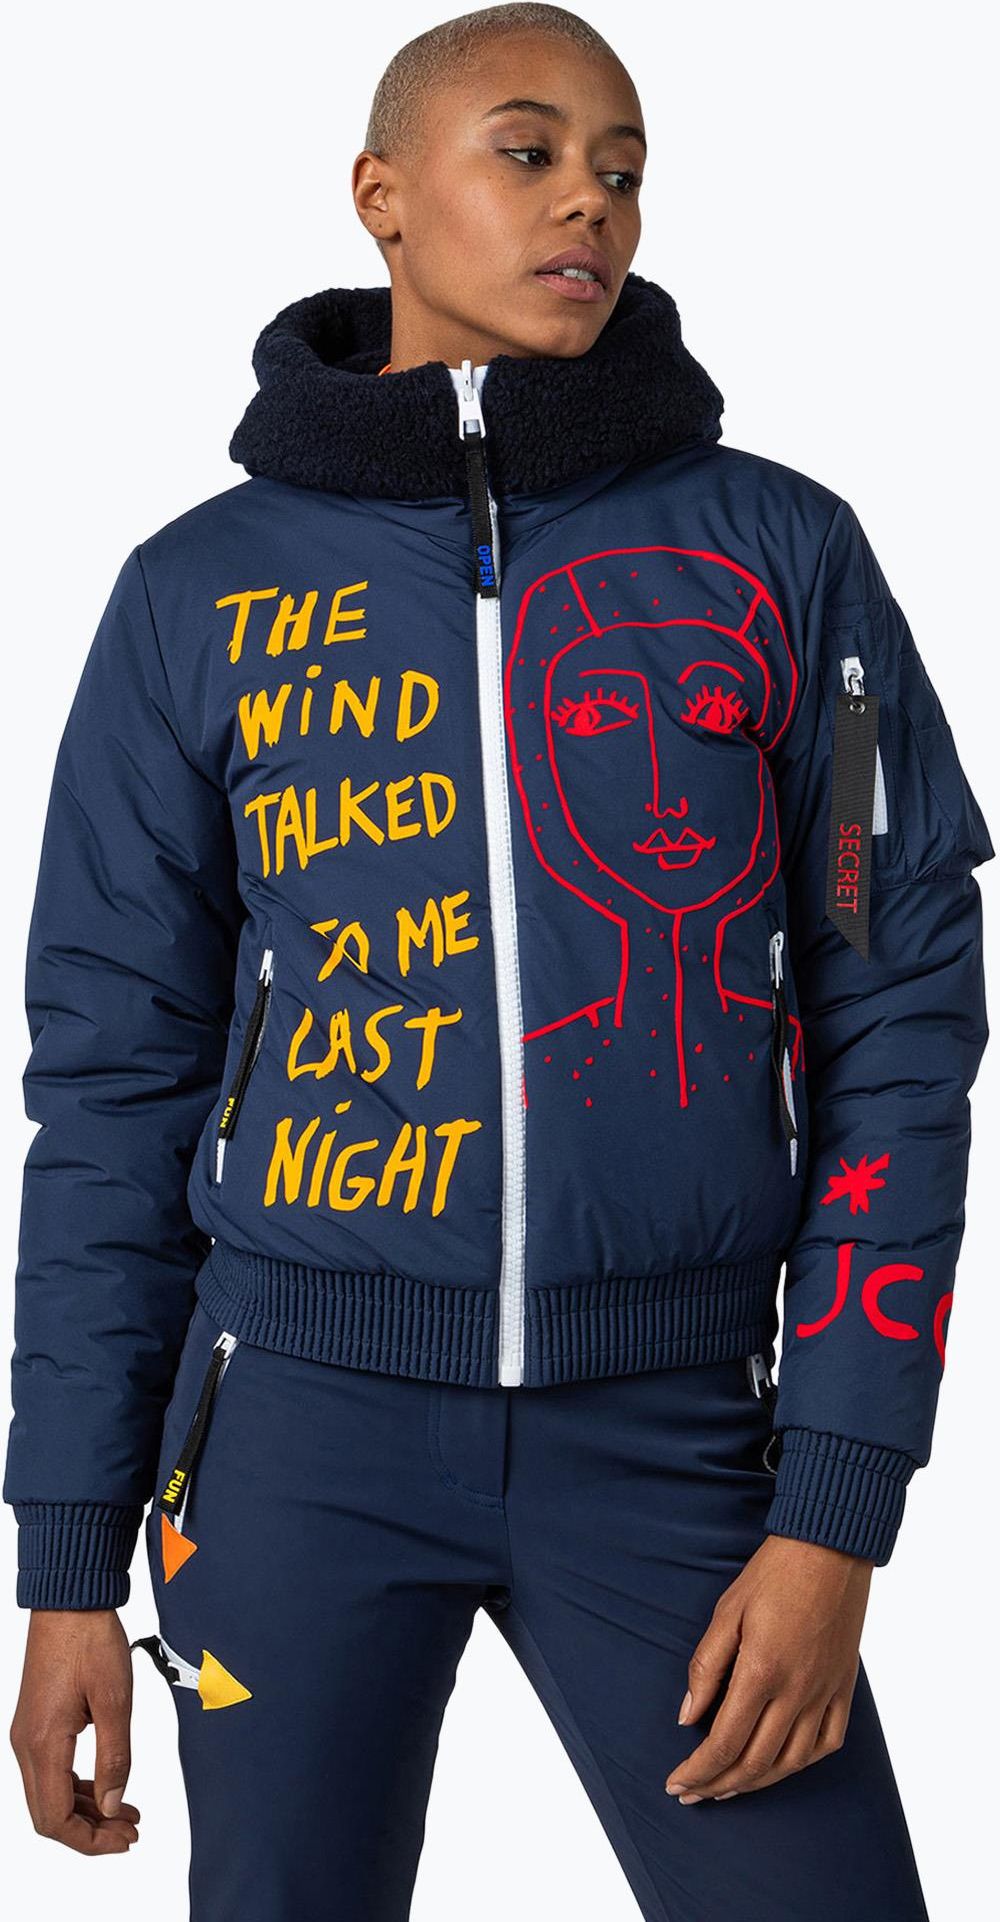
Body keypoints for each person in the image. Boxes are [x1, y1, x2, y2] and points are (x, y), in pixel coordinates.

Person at [4, 5, 992, 1917]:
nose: (589, 203)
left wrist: (838, 1503)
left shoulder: (787, 557)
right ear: (381, 196)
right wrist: (63, 1561)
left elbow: (897, 1012)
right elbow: (113, 1084)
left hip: (679, 1433)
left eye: (625, 169)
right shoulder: (195, 594)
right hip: (291, 1439)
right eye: (529, 153)